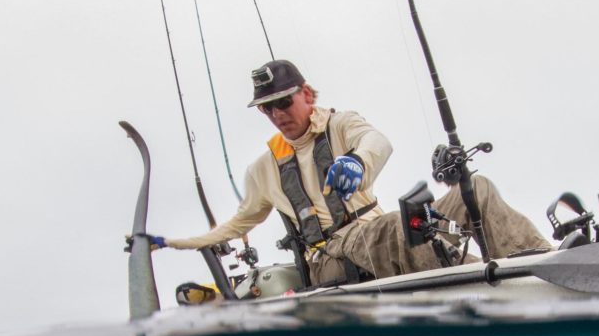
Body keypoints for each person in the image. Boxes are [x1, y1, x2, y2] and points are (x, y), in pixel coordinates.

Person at [162, 59, 549, 286]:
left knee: (474, 188)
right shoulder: (263, 169)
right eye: (267, 108)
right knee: (400, 225)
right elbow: (234, 226)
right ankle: (481, 279)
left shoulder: (341, 124)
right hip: (330, 255)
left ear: (307, 95)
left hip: (380, 230)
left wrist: (357, 162)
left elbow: (377, 141)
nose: (278, 114)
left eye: (283, 101)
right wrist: (174, 242)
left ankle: (542, 266)